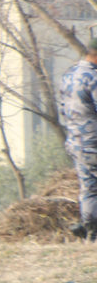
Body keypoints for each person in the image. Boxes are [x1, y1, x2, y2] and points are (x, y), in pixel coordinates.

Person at [59, 42, 97, 239]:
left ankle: (91, 233)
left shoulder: (69, 74)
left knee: (89, 189)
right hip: (95, 142)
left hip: (76, 143)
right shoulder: (94, 78)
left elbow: (63, 108)